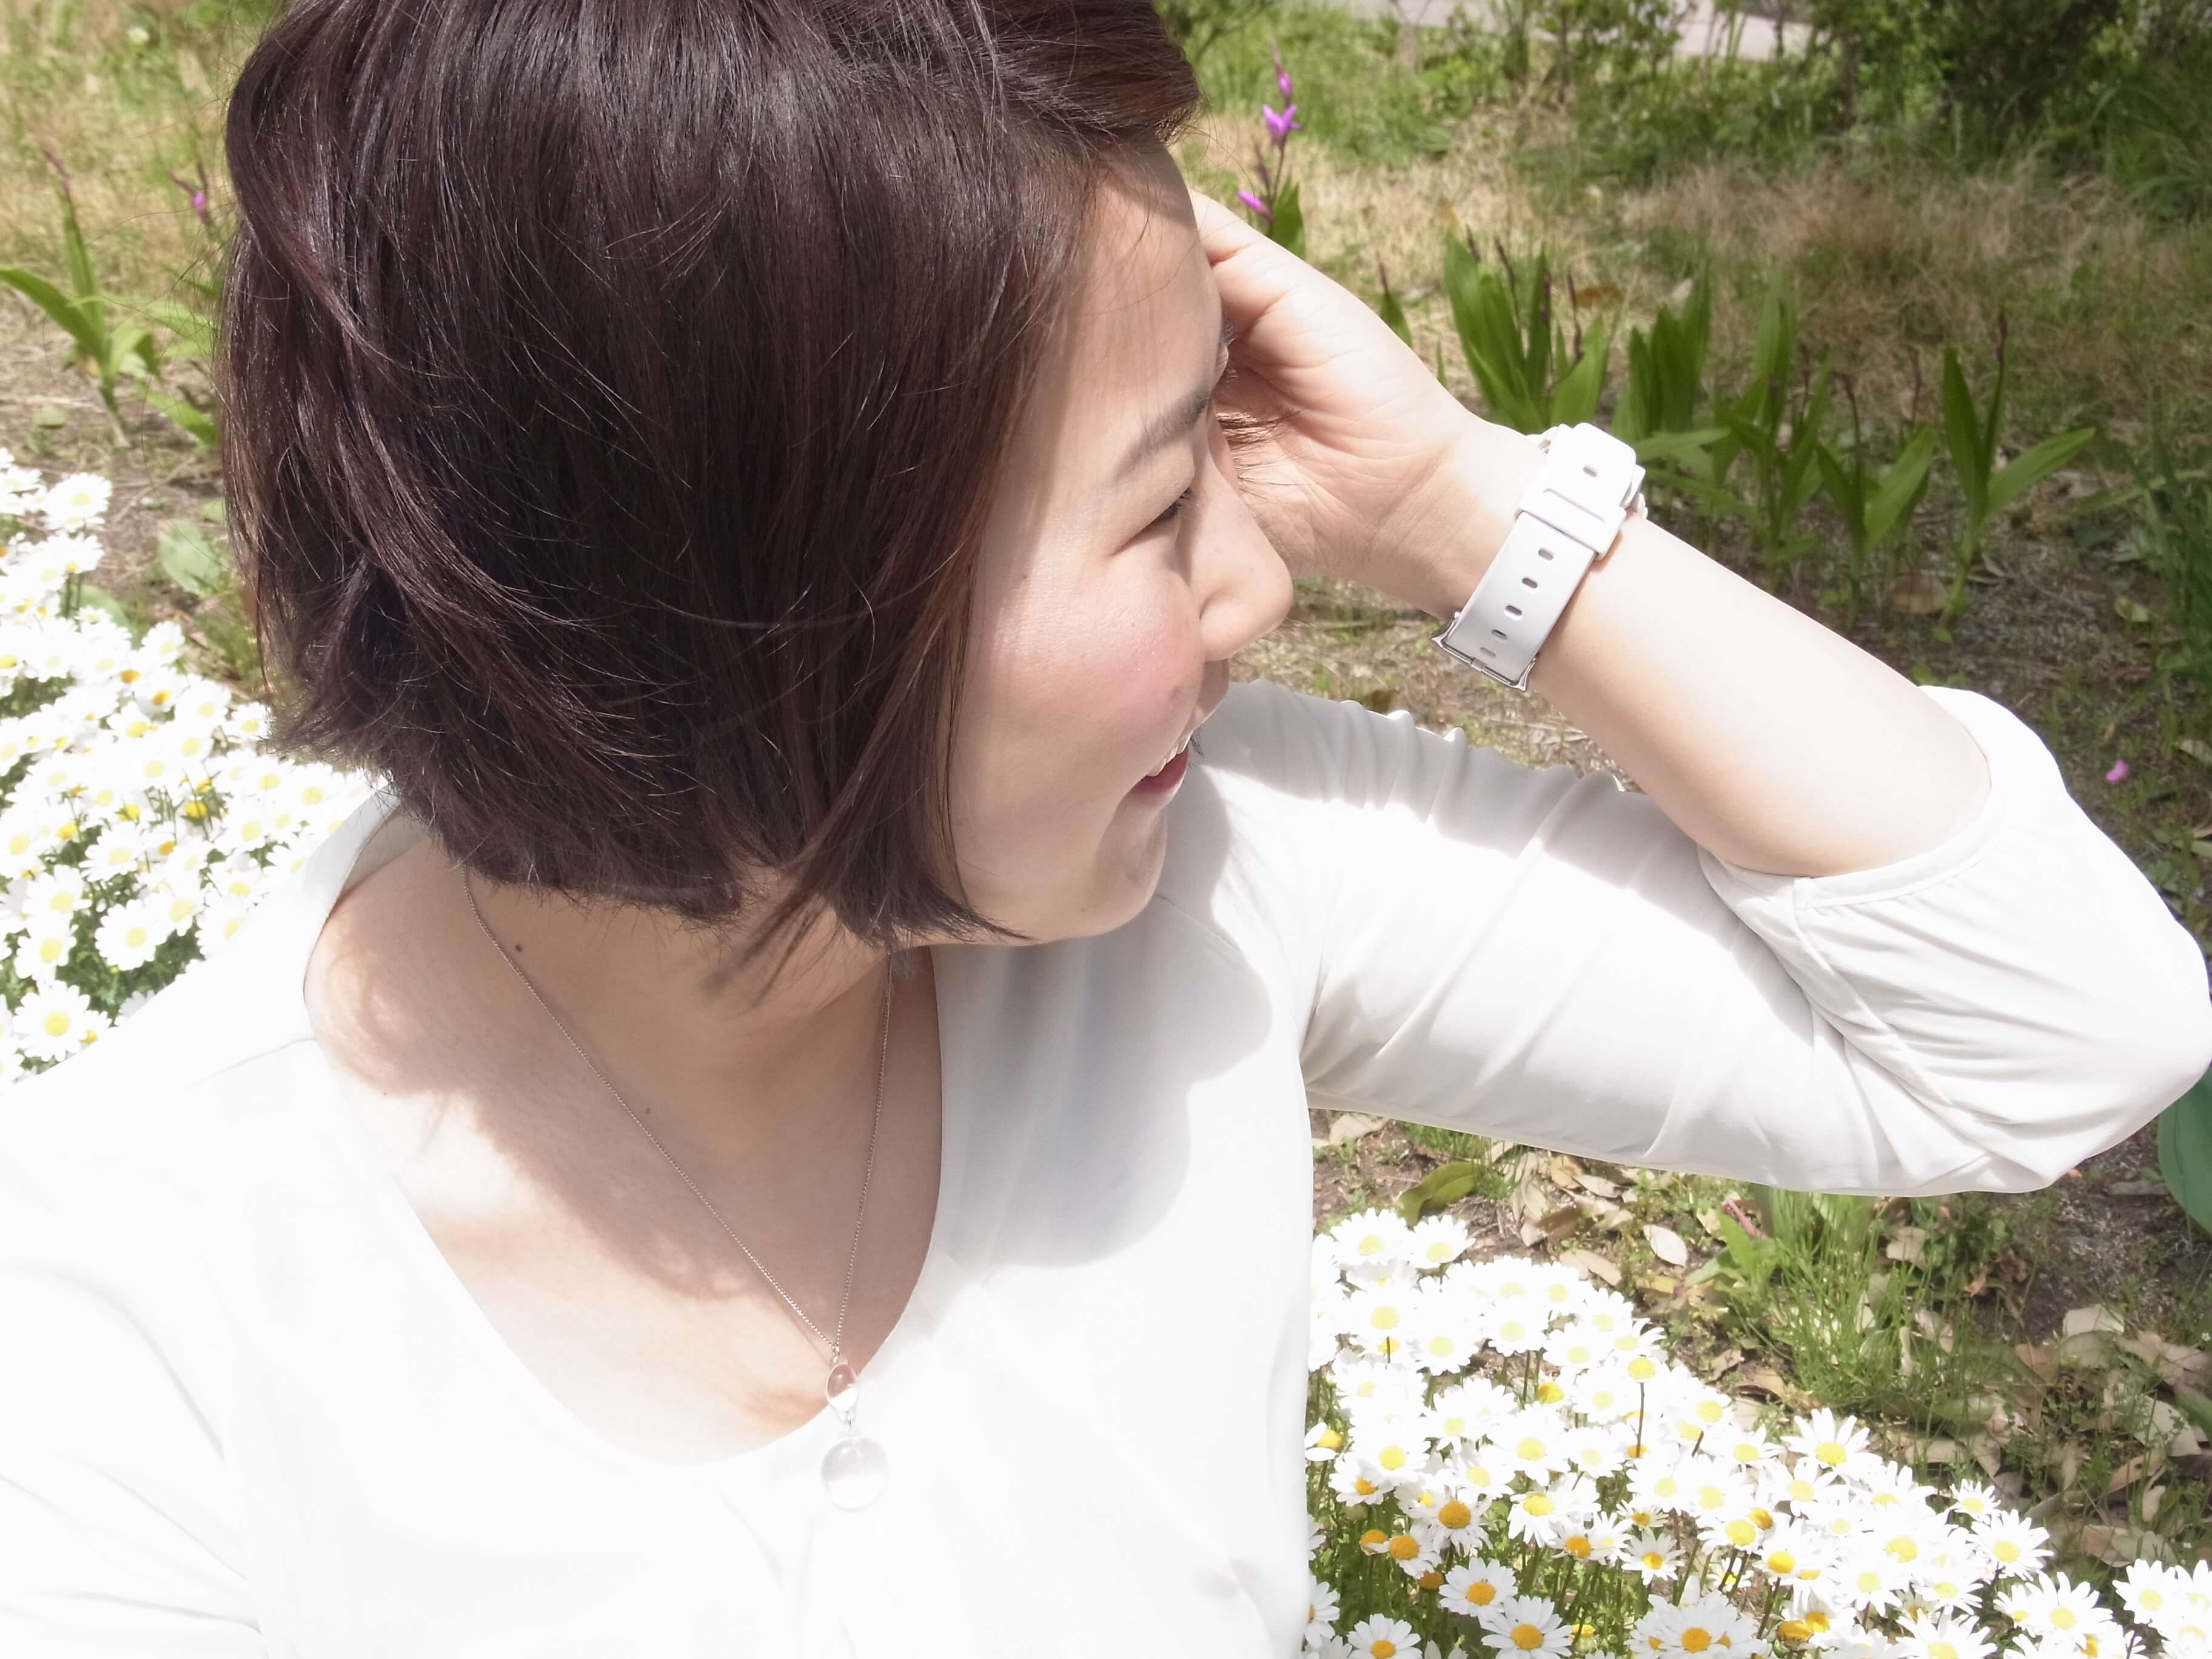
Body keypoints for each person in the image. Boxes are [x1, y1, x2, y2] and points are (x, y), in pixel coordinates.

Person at [2, 0, 2207, 1652]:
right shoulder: (126, 1344)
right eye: (1163, 511)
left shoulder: (1204, 887)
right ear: (759, 602)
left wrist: (1469, 510)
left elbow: (2051, 1033)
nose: (1262, 587)